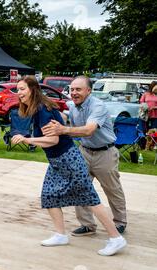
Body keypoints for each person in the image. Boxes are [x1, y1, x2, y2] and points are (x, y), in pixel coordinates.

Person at [12, 76, 126, 256]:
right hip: (57, 160)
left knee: (90, 198)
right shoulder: (40, 108)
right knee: (49, 195)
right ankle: (60, 235)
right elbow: (61, 116)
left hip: (69, 159)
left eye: (22, 89)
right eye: (17, 90)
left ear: (33, 90)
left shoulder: (42, 109)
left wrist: (28, 140)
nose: (18, 93)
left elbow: (53, 139)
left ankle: (116, 238)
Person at [42, 75, 127, 236]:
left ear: (89, 91)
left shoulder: (98, 106)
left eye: (78, 89)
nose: (74, 92)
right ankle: (87, 225)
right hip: (85, 151)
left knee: (112, 189)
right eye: (72, 89)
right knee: (79, 187)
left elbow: (88, 130)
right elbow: (63, 117)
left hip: (105, 153)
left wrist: (63, 130)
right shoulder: (72, 106)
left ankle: (120, 222)